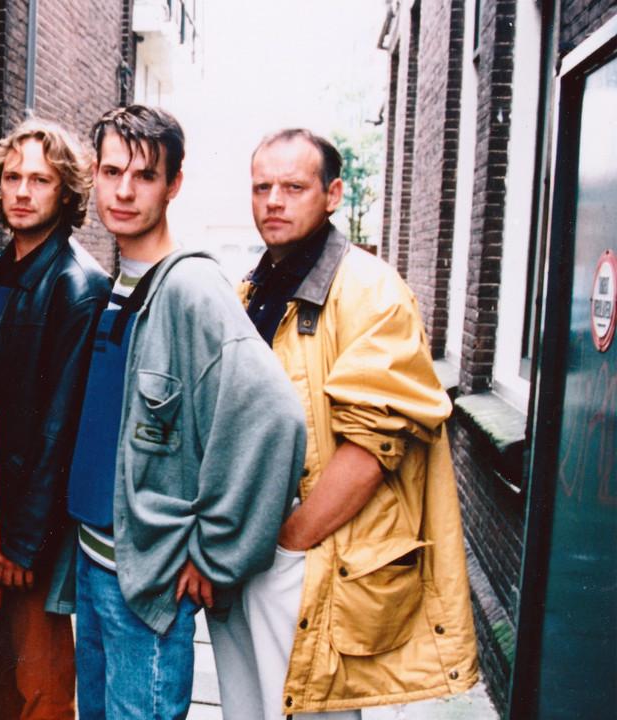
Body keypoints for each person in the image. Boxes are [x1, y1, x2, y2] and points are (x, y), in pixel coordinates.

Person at [209, 128, 479, 718]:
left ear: (332, 195)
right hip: (248, 551)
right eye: (261, 187)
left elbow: (372, 445)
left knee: (308, 710)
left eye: (293, 187)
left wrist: (290, 542)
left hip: (308, 553)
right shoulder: (252, 290)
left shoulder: (372, 292)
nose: (273, 201)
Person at [64, 105, 306, 720]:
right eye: (112, 172)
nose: (123, 191)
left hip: (144, 584)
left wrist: (214, 552)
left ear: (173, 184)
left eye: (144, 175)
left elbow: (274, 418)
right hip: (93, 562)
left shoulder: (192, 288)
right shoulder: (118, 283)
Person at [0, 118, 110, 720]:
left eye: (40, 180)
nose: (22, 191)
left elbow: (61, 428)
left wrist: (25, 544)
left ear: (66, 192)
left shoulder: (79, 285)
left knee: (41, 693)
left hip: (28, 534)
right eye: (12, 176)